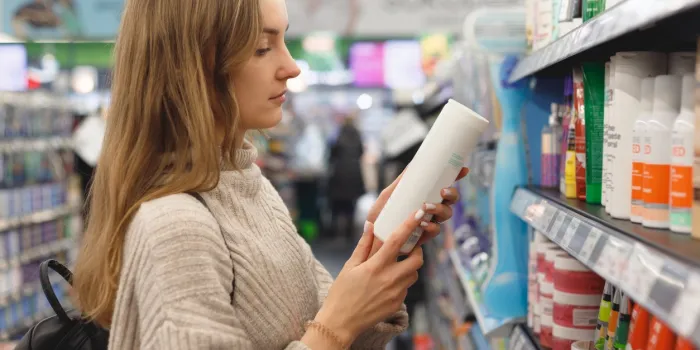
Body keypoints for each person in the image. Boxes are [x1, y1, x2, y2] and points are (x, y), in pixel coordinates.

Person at [72, 0, 468, 349]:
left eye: (283, 41)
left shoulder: (253, 189)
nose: (291, 67)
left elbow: (329, 325)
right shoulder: (175, 226)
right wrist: (334, 328)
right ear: (195, 65)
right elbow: (329, 329)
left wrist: (382, 246)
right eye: (263, 47)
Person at [328, 116, 366, 242]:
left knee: (336, 205)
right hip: (354, 173)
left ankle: (335, 232)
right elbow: (361, 152)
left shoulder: (339, 135)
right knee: (351, 205)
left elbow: (332, 154)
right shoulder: (357, 135)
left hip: (339, 174)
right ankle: (349, 232)